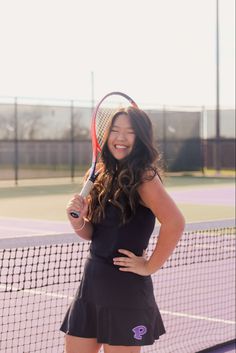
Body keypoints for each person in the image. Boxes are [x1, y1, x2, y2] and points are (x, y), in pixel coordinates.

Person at [60, 106, 185, 353]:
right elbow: (94, 233)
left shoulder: (144, 177)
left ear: (140, 138)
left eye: (129, 132)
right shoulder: (99, 173)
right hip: (92, 283)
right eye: (115, 130)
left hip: (125, 290)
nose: (120, 138)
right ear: (106, 135)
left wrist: (150, 266)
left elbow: (175, 222)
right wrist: (78, 222)